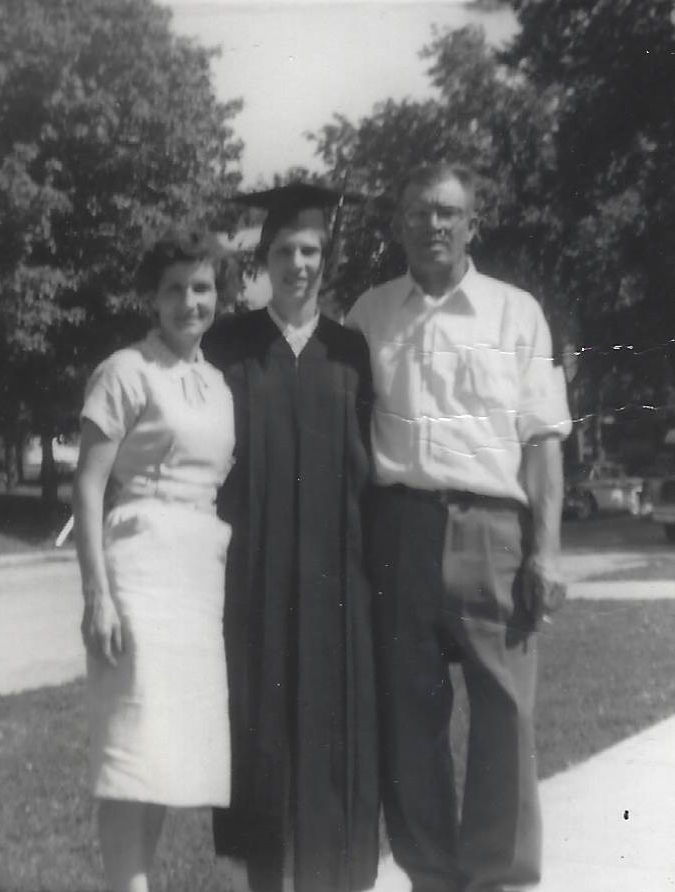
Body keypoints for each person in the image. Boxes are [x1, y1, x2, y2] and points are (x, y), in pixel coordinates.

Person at [346, 163, 572, 892]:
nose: (433, 225)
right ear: (399, 226)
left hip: (492, 534)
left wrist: (548, 551)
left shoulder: (516, 313)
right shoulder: (369, 315)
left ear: (474, 223)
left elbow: (543, 443)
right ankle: (432, 877)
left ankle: (498, 879)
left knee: (506, 718)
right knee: (410, 722)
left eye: (447, 212)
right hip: (399, 533)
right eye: (417, 212)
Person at [204, 183, 380, 892]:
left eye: (310, 250)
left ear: (326, 258)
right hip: (252, 579)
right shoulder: (227, 346)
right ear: (263, 258)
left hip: (339, 583)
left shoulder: (351, 351)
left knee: (334, 739)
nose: (298, 263)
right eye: (284, 250)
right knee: (262, 738)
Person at [73, 230, 237, 892]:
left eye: (201, 288)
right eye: (174, 289)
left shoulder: (218, 383)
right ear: (152, 297)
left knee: (167, 754)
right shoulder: (124, 370)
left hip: (199, 573)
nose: (188, 302)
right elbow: (88, 486)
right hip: (139, 565)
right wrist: (98, 594)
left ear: (217, 296)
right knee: (132, 748)